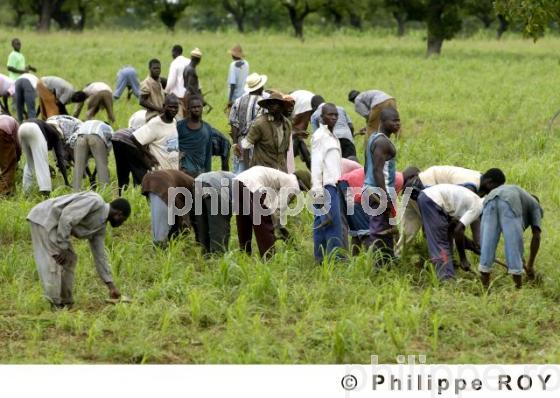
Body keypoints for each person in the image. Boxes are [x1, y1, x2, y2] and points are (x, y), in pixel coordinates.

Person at [27, 192, 130, 308]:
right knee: (55, 259)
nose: (122, 223)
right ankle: (55, 304)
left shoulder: (100, 228)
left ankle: (66, 302)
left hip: (55, 224)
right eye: (124, 220)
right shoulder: (95, 201)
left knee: (70, 259)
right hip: (45, 218)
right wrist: (63, 247)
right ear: (119, 214)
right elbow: (67, 217)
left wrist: (111, 286)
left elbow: (100, 257)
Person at [396, 165, 485, 257]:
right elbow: (453, 226)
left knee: (408, 232)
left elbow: (475, 217)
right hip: (422, 190)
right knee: (441, 231)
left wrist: (478, 244)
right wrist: (470, 245)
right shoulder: (469, 188)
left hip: (412, 188)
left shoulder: (476, 179)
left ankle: (396, 257)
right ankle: (447, 262)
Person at [477, 169, 543, 289]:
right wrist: (530, 264)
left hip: (489, 200)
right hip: (509, 199)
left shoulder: (519, 195)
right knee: (513, 246)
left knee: (487, 245)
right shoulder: (535, 205)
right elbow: (536, 236)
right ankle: (517, 291)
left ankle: (484, 289)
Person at [411, 184, 483, 280]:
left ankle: (448, 272)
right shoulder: (478, 207)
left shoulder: (476, 202)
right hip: (432, 200)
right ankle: (446, 278)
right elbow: (458, 231)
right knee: (440, 242)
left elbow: (454, 229)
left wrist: (473, 247)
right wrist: (463, 259)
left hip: (431, 198)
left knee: (446, 235)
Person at [234, 166, 306, 258]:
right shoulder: (294, 184)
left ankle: (244, 255)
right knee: (264, 222)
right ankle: (269, 258)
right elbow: (278, 208)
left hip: (238, 181)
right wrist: (277, 227)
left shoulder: (284, 177)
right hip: (253, 184)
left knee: (244, 222)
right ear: (302, 184)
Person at [112, 95, 179, 193]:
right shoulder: (155, 123)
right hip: (127, 143)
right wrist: (149, 157)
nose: (173, 109)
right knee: (134, 172)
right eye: (170, 107)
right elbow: (135, 138)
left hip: (170, 166)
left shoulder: (174, 122)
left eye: (175, 107)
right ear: (164, 106)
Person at [362, 107, 400, 265]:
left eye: (399, 120)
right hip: (378, 191)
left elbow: (366, 167)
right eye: (394, 121)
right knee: (379, 230)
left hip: (373, 189)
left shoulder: (373, 138)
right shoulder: (383, 142)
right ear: (383, 122)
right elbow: (377, 171)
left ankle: (388, 261)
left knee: (387, 229)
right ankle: (377, 266)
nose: (398, 124)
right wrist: (384, 198)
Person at [311, 103, 344, 262]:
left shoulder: (332, 136)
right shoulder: (320, 136)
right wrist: (318, 192)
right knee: (333, 225)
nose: (333, 118)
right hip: (325, 187)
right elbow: (316, 165)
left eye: (336, 115)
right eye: (330, 115)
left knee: (321, 223)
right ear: (321, 117)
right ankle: (335, 260)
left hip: (333, 185)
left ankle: (320, 259)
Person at [236, 92, 291, 172]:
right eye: (269, 104)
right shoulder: (260, 123)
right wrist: (247, 171)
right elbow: (246, 147)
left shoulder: (287, 124)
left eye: (274, 103)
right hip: (262, 171)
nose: (270, 106)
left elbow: (285, 150)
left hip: (280, 171)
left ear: (282, 106)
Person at [141, 169, 194, 247]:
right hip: (161, 182)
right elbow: (183, 216)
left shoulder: (186, 183)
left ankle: (161, 243)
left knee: (160, 217)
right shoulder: (194, 186)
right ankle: (160, 245)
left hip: (149, 180)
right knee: (161, 228)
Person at [229, 72, 267, 174]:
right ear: (260, 87)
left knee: (239, 175)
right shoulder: (262, 103)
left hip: (240, 144)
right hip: (257, 145)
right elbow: (261, 125)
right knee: (255, 175)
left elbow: (233, 124)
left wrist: (235, 143)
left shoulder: (238, 101)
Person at [18, 118, 69, 194]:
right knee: (42, 164)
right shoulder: (56, 136)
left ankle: (26, 191)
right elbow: (60, 158)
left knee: (30, 164)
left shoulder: (47, 129)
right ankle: (45, 191)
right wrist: (66, 182)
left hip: (21, 128)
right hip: (34, 129)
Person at [193, 171, 236, 254]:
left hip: (198, 182)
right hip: (214, 186)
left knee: (202, 222)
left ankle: (205, 252)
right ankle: (218, 255)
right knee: (220, 225)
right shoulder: (243, 184)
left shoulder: (235, 177)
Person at [177, 96, 214, 178]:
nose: (196, 109)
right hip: (182, 172)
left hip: (200, 172)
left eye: (199, 107)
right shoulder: (179, 126)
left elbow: (208, 153)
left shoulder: (207, 128)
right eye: (193, 107)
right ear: (188, 109)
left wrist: (208, 174)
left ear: (202, 108)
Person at [72, 120, 113, 191]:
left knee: (78, 166)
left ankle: (75, 191)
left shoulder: (84, 124)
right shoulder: (109, 128)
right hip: (96, 136)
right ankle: (105, 190)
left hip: (80, 137)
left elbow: (72, 141)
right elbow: (109, 147)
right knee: (101, 165)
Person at [166, 45, 190, 118]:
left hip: (179, 97)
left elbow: (171, 81)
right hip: (189, 95)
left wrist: (166, 91)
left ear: (174, 52)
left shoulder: (174, 63)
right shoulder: (189, 61)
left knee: (179, 119)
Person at [0, 114, 20, 196]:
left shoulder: (5, 118)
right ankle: (5, 194)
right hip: (2, 132)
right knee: (8, 166)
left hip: (2, 131)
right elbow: (18, 144)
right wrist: (17, 157)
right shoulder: (16, 124)